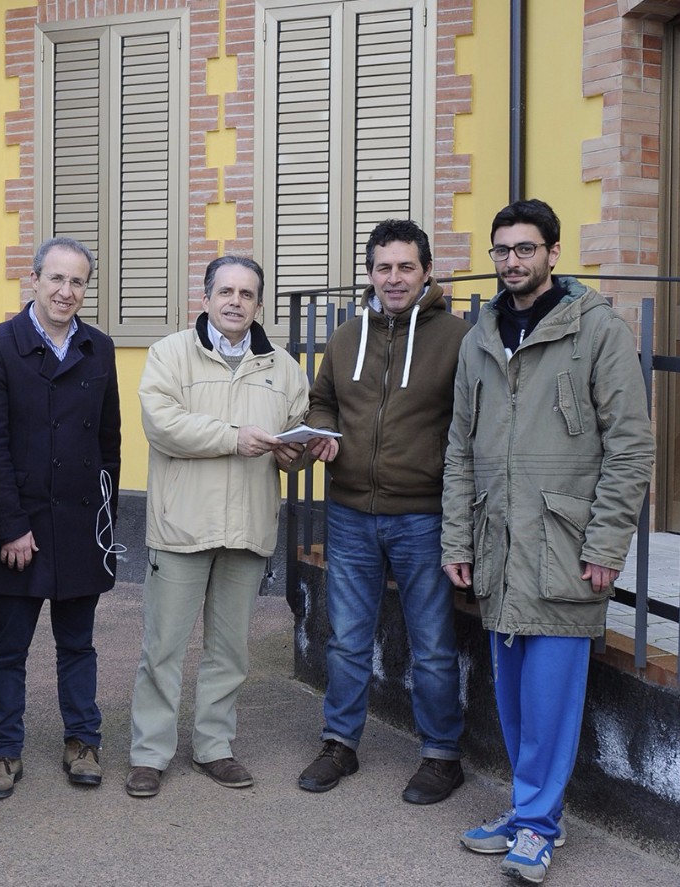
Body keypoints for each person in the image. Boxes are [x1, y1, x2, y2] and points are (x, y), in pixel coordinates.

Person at [442, 199, 653, 884]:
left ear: (553, 253)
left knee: (551, 698)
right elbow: (459, 448)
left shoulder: (597, 331)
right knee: (511, 697)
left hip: (564, 545)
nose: (511, 261)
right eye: (502, 250)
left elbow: (630, 447)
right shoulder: (481, 335)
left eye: (525, 249)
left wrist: (606, 543)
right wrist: (458, 537)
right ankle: (532, 808)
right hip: (498, 544)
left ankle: (536, 826)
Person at [125, 255, 317, 799]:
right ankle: (149, 753)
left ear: (259, 304)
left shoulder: (282, 367)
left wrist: (302, 452)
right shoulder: (169, 354)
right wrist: (234, 436)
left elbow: (288, 442)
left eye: (247, 293)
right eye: (225, 291)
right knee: (162, 649)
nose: (236, 301)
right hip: (182, 525)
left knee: (231, 652)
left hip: (249, 527)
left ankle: (214, 747)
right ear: (205, 298)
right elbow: (163, 426)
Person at [297, 219, 469, 805]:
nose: (393, 278)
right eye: (382, 267)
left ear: (427, 272)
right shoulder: (347, 335)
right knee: (346, 638)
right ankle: (339, 743)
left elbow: (472, 422)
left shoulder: (459, 338)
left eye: (405, 267)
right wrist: (322, 431)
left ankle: (442, 756)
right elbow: (322, 400)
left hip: (423, 516)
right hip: (348, 511)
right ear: (369, 273)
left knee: (432, 643)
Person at [0, 237, 121, 800]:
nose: (66, 291)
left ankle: (83, 741)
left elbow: (109, 443)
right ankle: (4, 752)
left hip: (81, 526)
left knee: (78, 644)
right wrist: (8, 526)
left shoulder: (98, 348)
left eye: (77, 281)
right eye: (56, 279)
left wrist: (104, 522)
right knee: (10, 647)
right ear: (33, 280)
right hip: (19, 530)